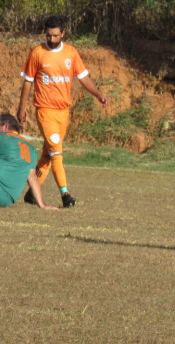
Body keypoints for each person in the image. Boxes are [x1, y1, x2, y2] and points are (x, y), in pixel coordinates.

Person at [16, 15, 108, 208]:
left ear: (63, 33)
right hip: (45, 110)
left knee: (48, 156)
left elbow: (83, 78)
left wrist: (98, 94)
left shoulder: (71, 53)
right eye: (48, 35)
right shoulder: (37, 53)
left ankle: (32, 194)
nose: (51, 39)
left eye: (55, 35)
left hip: (63, 112)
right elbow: (27, 82)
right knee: (57, 153)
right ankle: (65, 195)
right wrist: (21, 108)